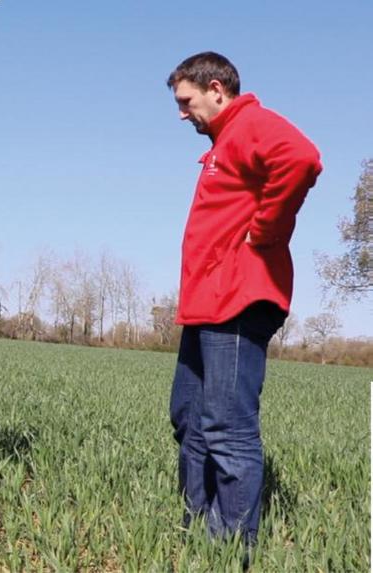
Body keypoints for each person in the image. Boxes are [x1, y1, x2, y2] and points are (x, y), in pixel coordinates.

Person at [165, 52, 321, 546]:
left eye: (187, 102)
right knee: (188, 418)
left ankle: (229, 548)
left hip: (238, 300)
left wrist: (266, 232)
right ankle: (194, 527)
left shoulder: (251, 122)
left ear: (216, 88)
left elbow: (302, 158)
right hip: (207, 305)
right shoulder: (223, 142)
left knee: (227, 428)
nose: (182, 113)